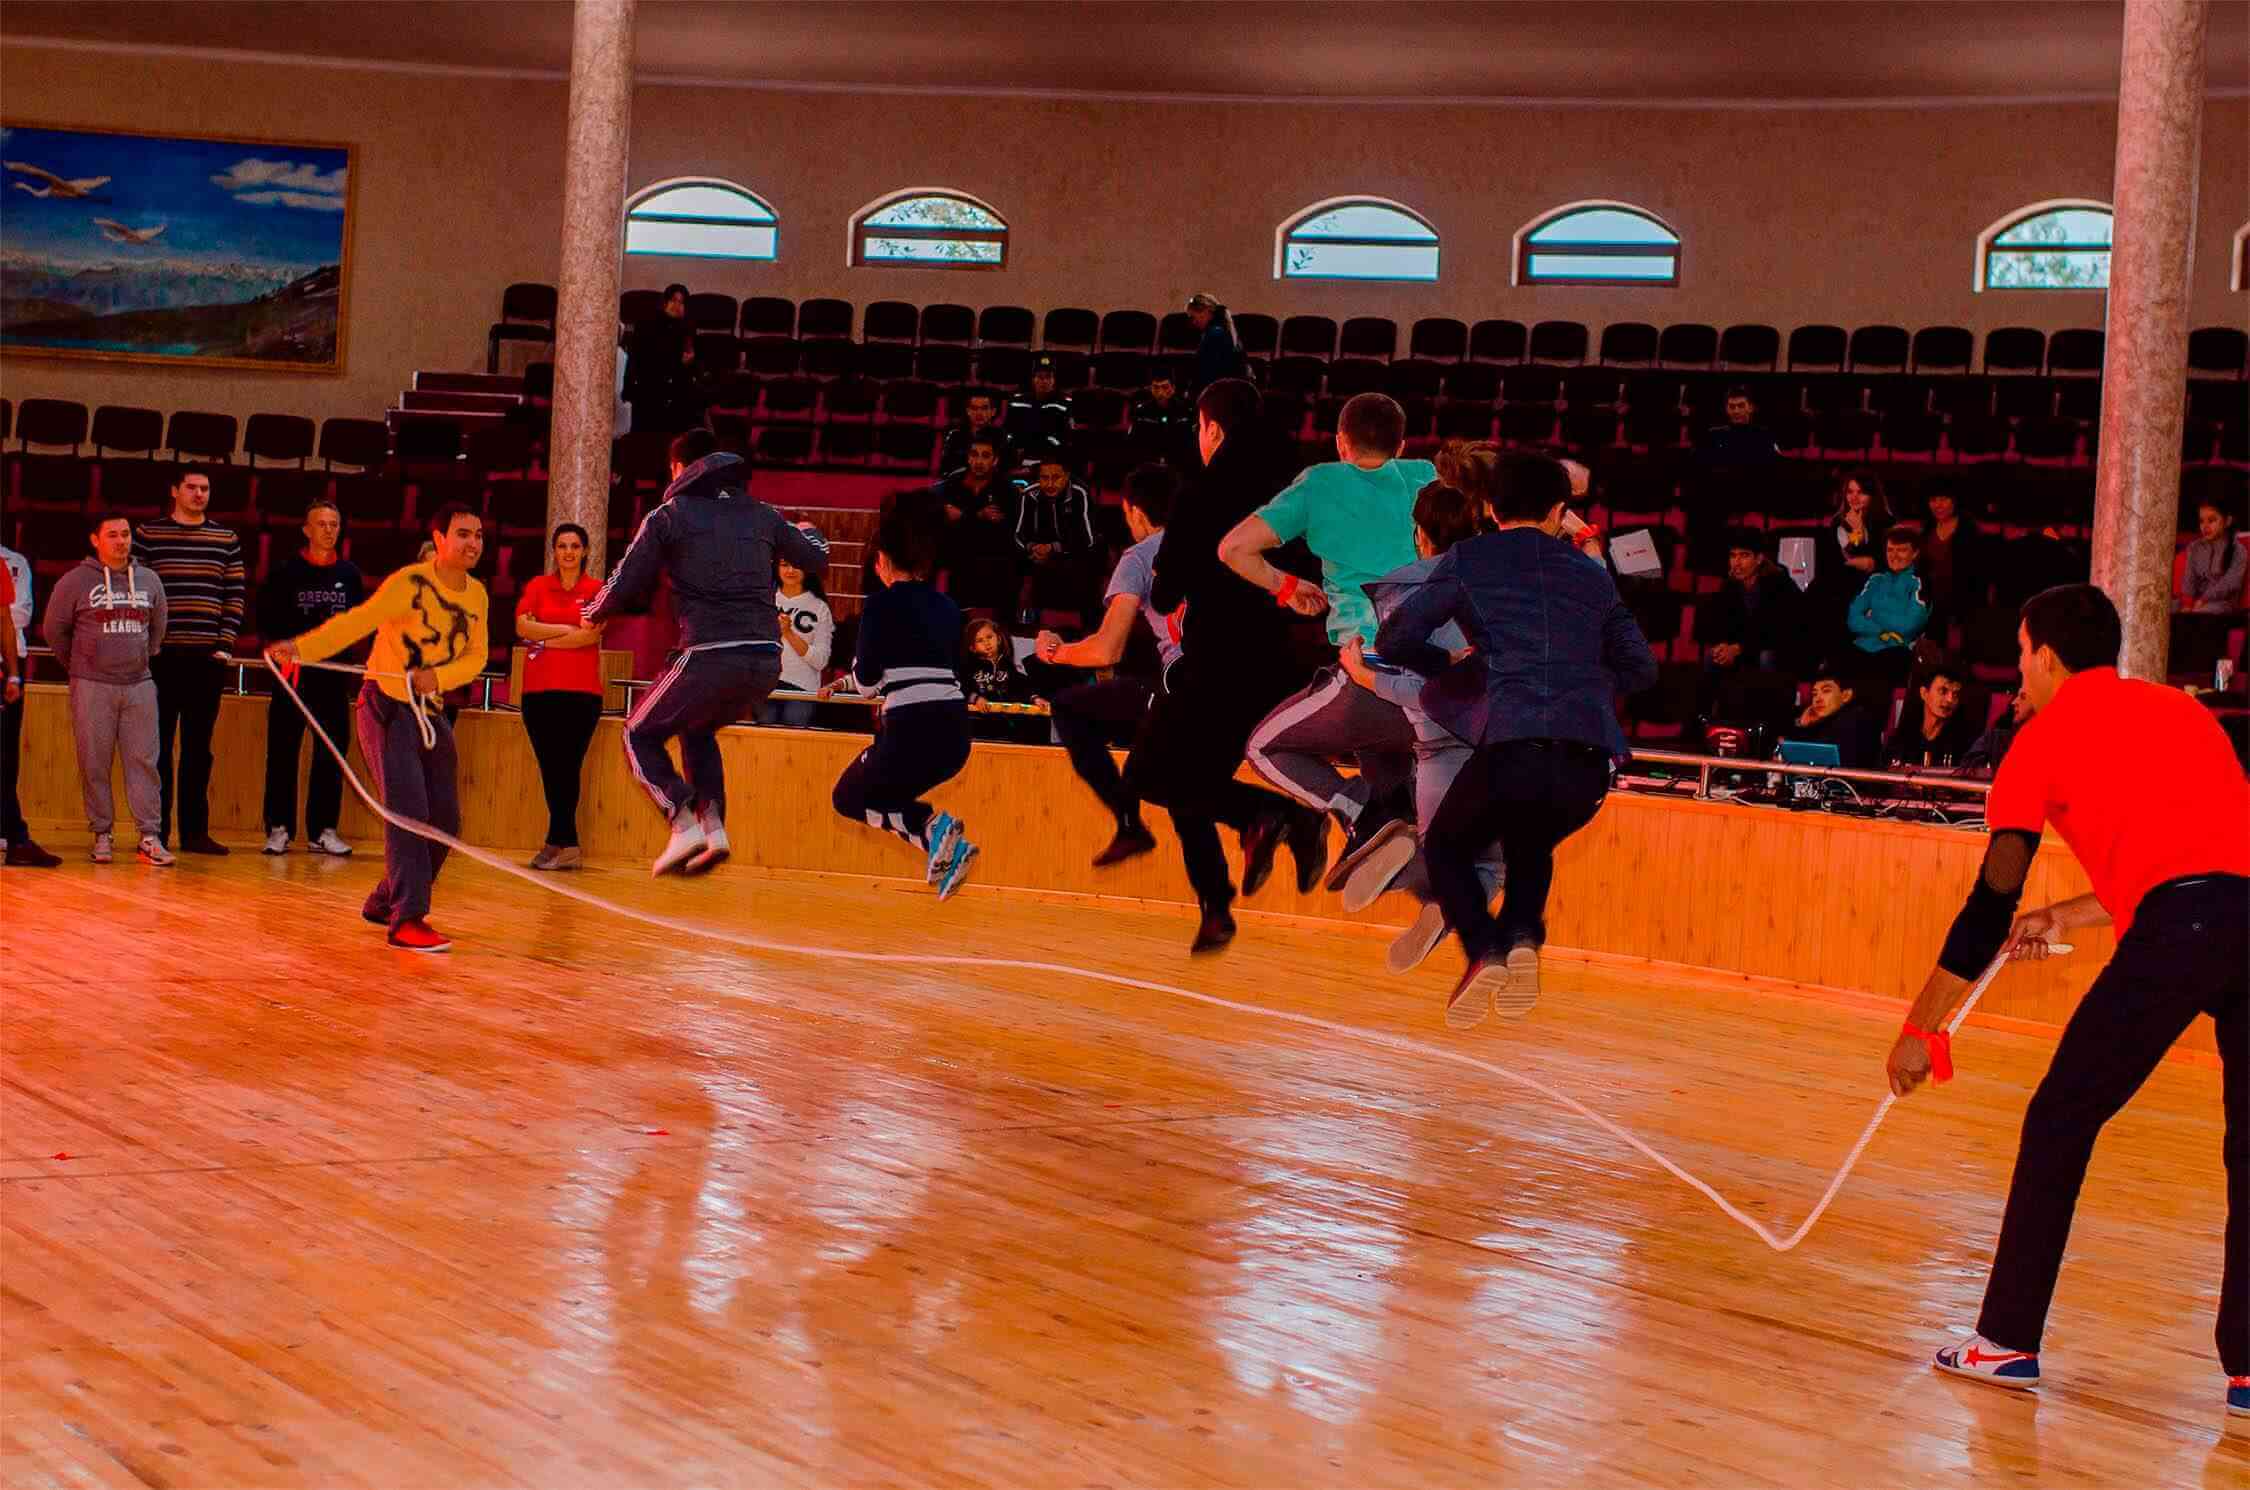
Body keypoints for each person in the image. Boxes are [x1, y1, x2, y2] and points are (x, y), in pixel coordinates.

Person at [1881, 584, 2248, 1416]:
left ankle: (2005, 1340)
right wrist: (2068, 914)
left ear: (2045, 656)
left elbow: (1991, 903)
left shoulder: (2040, 739)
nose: (2019, 673)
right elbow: (2206, 859)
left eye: (2020, 656)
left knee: (2058, 1120)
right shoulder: (2186, 712)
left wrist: (1920, 1027)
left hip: (2180, 926)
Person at [1376, 451, 1657, 1026]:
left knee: (1447, 846)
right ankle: (1523, 938)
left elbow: (1395, 638)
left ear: (1488, 508)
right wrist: (1581, 682)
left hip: (1513, 745)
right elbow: (1642, 669)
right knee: (1531, 838)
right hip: (1588, 764)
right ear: (1558, 511)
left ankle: (1485, 949)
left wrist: (1449, 663)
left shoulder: (1469, 559)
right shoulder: (1590, 573)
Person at [1129, 377, 1328, 953]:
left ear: (1212, 429)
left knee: (1148, 774)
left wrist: (1170, 574)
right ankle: (1217, 904)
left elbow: (1165, 594)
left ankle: (1274, 817)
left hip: (1220, 659)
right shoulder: (1295, 486)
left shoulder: (1202, 491)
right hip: (1287, 662)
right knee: (1191, 782)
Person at [584, 428, 830, 876]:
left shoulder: (669, 514)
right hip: (764, 660)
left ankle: (682, 823)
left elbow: (627, 580)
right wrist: (812, 533)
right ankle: (713, 828)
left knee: (637, 733)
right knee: (697, 730)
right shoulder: (762, 512)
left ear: (679, 468)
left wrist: (592, 612)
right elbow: (816, 558)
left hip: (710, 653)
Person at [1225, 392, 1435, 896]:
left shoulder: (1321, 482)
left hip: (1370, 672)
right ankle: (1404, 841)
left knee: (1264, 748)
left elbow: (1233, 548)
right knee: (1389, 777)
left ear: (1341, 442)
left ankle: (1360, 812)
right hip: (1436, 684)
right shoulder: (1426, 475)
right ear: (1402, 444)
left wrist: (1286, 587)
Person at [268, 505, 489, 953]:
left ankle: (386, 899)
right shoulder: (409, 583)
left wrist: (439, 677)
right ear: (440, 538)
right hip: (385, 704)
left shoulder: (478, 595)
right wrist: (301, 648)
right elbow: (357, 622)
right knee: (408, 814)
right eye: (463, 534)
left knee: (446, 820)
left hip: (429, 708)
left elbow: (477, 656)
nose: (473, 543)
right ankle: (407, 918)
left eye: (479, 535)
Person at [1339, 479, 1508, 975]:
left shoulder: (1401, 589)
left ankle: (1410, 859)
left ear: (1420, 533)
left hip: (1434, 743)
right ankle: (1437, 903)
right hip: (1497, 741)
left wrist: (1363, 675)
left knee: (1444, 852)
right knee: (1490, 865)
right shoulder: (1499, 582)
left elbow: (1413, 677)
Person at [831, 499, 980, 899]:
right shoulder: (948, 607)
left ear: (881, 560)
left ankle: (933, 830)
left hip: (911, 730)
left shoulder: (880, 604)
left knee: (848, 797)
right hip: (956, 735)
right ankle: (941, 842)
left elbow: (866, 683)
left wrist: (864, 672)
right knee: (885, 796)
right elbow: (955, 670)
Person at [1035, 464, 1176, 867]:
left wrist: (1055, 652)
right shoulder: (1213, 544)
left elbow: (1105, 652)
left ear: (1134, 511)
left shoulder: (1140, 557)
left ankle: (1129, 825)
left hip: (1182, 681)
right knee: (1153, 773)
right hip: (1232, 678)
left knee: (1069, 708)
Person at [44, 516, 170, 865]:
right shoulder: (74, 581)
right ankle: (102, 833)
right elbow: (54, 630)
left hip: (139, 683)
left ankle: (149, 836)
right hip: (91, 684)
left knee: (144, 761)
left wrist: (143, 657)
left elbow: (159, 627)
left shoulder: (149, 580)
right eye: (112, 535)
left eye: (125, 534)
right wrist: (78, 665)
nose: (121, 541)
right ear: (95, 540)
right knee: (94, 761)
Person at [134, 467, 245, 854]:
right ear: (174, 491)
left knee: (199, 749)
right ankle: (156, 832)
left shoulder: (226, 539)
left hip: (206, 658)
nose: (199, 494)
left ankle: (195, 833)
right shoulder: (149, 534)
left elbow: (234, 594)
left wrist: (225, 644)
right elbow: (138, 590)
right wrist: (147, 645)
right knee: (158, 749)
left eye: (205, 488)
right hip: (162, 658)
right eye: (192, 487)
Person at [257, 498, 365, 857]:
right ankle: (279, 827)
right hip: (291, 678)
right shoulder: (285, 571)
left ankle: (323, 830)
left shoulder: (349, 574)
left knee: (331, 753)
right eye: (321, 524)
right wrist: (280, 649)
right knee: (282, 752)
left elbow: (356, 625)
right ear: (306, 529)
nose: (328, 530)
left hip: (332, 679)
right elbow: (267, 621)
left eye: (334, 524)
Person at [515, 523, 607, 870]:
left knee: (567, 767)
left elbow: (590, 637)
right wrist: (566, 631)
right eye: (562, 546)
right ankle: (565, 844)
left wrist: (542, 636)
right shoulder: (538, 586)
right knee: (550, 768)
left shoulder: (597, 590)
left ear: (585, 551)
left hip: (581, 695)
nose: (568, 552)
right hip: (538, 692)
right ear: (554, 551)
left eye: (575, 546)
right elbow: (522, 628)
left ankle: (560, 842)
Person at [1, 540, 61, 866]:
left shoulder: (7, 564)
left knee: (4, 759)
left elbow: (11, 618)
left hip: (3, 667)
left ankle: (15, 838)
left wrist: (13, 675)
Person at [931, 430, 1023, 616]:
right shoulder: (953, 484)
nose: (979, 461)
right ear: (968, 458)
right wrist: (979, 517)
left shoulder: (1007, 490)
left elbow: (1004, 531)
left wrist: (963, 517)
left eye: (985, 456)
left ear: (995, 460)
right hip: (958, 553)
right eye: (974, 455)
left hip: (993, 555)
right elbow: (945, 520)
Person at [1014, 453, 1097, 624]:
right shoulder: (1029, 494)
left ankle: (1086, 625)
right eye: (1044, 478)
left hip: (1073, 555)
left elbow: (1088, 538)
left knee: (1084, 565)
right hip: (1037, 557)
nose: (1050, 484)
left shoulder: (1079, 493)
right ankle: (1030, 624)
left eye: (1056, 478)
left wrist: (1052, 548)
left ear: (1066, 476)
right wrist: (1032, 547)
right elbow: (1019, 534)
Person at [755, 547, 833, 727]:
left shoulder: (819, 607)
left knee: (794, 735)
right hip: (766, 685)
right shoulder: (764, 601)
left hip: (802, 688)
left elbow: (821, 660)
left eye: (797, 565)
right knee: (765, 736)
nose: (790, 570)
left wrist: (788, 633)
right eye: (785, 564)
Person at [1846, 522, 1932, 686]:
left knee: (1884, 668)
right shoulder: (1876, 579)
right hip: (1863, 646)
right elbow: (1853, 618)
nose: (1894, 555)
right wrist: (1879, 630)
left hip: (1898, 649)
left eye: (1902, 550)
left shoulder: (1920, 582)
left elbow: (1910, 625)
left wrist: (1873, 615)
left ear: (1915, 553)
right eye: (1890, 550)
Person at [623, 283, 697, 436]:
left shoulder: (686, 328)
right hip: (650, 388)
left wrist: (689, 361)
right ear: (664, 302)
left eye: (681, 302)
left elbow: (689, 360)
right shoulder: (647, 325)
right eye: (673, 300)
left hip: (675, 389)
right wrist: (678, 363)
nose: (677, 306)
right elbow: (645, 360)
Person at [1784, 658, 1886, 769]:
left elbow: (1819, 755)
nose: (1818, 699)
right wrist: (1802, 724)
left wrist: (1805, 728)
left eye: (1826, 691)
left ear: (1846, 695)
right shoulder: (1822, 721)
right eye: (1814, 694)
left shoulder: (1858, 719)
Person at [1884, 658, 1979, 768]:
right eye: (1943, 691)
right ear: (1924, 693)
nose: (1950, 700)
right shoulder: (1902, 738)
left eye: (1956, 694)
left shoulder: (1964, 742)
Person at [2176, 496, 2245, 615]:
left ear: (2227, 521)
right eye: (2201, 521)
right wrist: (2187, 604)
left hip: (2222, 604)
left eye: (2211, 520)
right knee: (2162, 608)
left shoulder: (2238, 550)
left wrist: (2204, 599)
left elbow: (2231, 583)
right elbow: (2189, 579)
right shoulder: (2194, 547)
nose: (2205, 526)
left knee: (2200, 613)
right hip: (2196, 601)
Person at [1004, 357, 1071, 465]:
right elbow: (1009, 429)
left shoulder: (1064, 404)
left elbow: (1064, 436)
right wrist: (1014, 448)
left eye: (1048, 377)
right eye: (1040, 377)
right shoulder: (1017, 401)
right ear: (1033, 379)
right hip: (1018, 455)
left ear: (1054, 380)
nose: (1044, 381)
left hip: (1050, 457)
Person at [938, 388, 1018, 477]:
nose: (979, 413)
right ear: (968, 411)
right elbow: (946, 468)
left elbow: (1010, 469)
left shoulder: (1003, 437)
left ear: (993, 412)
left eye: (984, 408)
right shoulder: (955, 436)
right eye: (974, 408)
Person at [959, 617, 1034, 707]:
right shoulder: (970, 667)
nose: (987, 643)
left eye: (989, 637)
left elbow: (1022, 685)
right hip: (980, 713)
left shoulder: (1008, 664)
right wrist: (976, 698)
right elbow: (963, 688)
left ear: (998, 639)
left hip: (1006, 712)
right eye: (980, 640)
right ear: (973, 648)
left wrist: (1034, 698)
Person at [1696, 385, 1779, 465]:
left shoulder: (1764, 436)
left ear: (1751, 408)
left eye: (1741, 406)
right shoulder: (1714, 436)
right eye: (1732, 407)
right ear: (1726, 409)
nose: (1736, 411)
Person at [1128, 370, 1196, 466]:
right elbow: (1135, 441)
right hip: (1149, 461)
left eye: (1165, 387)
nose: (1160, 392)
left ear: (1173, 388)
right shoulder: (1141, 411)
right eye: (1156, 387)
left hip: (1179, 460)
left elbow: (1191, 440)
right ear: (1151, 389)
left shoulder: (1186, 410)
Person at [1963, 688, 2032, 776]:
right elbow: (1966, 768)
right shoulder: (1995, 736)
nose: (2014, 702)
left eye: (2023, 697)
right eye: (2017, 696)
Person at [1186, 292, 1246, 389]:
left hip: (1218, 391)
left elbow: (1208, 372)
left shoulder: (1215, 334)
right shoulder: (1223, 330)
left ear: (1206, 311)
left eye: (1193, 317)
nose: (1193, 322)